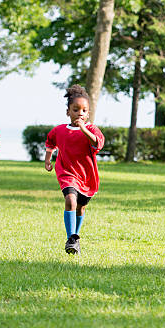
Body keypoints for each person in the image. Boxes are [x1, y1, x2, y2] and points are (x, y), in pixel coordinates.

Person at [45, 85, 105, 255]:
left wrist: (83, 129)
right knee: (70, 201)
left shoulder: (91, 129)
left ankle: (75, 238)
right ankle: (71, 238)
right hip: (66, 173)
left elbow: (97, 143)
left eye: (84, 110)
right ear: (68, 112)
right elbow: (51, 142)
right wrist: (48, 159)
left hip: (86, 176)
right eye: (76, 109)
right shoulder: (60, 130)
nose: (80, 113)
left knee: (80, 208)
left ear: (88, 114)